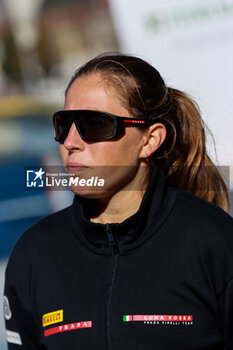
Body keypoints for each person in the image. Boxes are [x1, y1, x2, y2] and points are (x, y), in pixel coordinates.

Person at [4, 53, 233, 350]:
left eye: (94, 124)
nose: (70, 142)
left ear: (150, 140)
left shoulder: (215, 242)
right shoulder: (33, 255)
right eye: (64, 124)